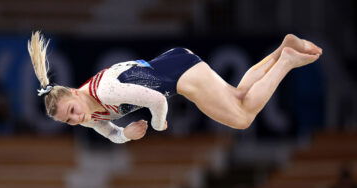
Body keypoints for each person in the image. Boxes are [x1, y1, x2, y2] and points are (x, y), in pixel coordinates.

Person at [28, 32, 322, 143]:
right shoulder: (88, 114)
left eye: (72, 111)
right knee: (239, 97)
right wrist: (125, 136)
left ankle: (286, 61)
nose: (75, 119)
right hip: (176, 67)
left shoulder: (105, 92)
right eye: (68, 120)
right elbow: (111, 133)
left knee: (242, 118)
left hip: (179, 75)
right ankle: (282, 49)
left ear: (74, 92)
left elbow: (156, 100)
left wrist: (158, 124)